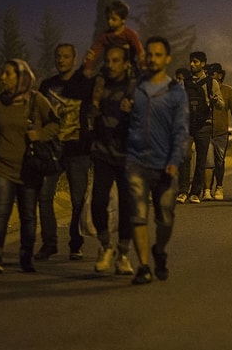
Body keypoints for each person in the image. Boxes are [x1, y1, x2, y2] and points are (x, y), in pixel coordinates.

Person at [0, 59, 61, 274]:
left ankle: (26, 255)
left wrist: (40, 134)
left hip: (29, 167)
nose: (2, 77)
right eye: (3, 73)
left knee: (28, 215)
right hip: (1, 167)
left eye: (8, 74)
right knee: (1, 213)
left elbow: (55, 123)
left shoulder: (36, 100)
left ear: (22, 77)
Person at [125, 36, 189, 285]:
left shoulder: (175, 92)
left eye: (158, 55)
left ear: (167, 59)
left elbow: (181, 129)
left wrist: (175, 159)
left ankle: (159, 250)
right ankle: (143, 266)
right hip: (136, 161)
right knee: (137, 215)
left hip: (165, 164)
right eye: (149, 54)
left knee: (165, 217)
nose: (152, 59)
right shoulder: (136, 87)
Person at [36, 43, 95, 261]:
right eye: (58, 56)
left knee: (78, 199)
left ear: (74, 58)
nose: (61, 60)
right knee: (44, 196)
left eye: (66, 56)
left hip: (78, 150)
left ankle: (75, 242)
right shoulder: (47, 85)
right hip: (52, 150)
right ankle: (49, 243)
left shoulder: (84, 84)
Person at [91, 45, 136, 275]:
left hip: (128, 154)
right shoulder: (99, 84)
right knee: (98, 200)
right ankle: (105, 245)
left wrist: (132, 112)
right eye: (108, 60)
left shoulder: (134, 87)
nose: (111, 64)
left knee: (128, 205)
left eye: (116, 60)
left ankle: (123, 254)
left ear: (126, 63)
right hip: (102, 152)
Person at [178, 51, 223, 204]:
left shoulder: (212, 83)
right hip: (187, 125)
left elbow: (221, 105)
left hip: (204, 125)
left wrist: (215, 100)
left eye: (196, 62)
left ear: (203, 64)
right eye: (191, 61)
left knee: (201, 160)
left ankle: (195, 192)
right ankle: (182, 191)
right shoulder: (184, 83)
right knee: (184, 156)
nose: (192, 64)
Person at [82, 0, 145, 78]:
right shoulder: (105, 36)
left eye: (113, 19)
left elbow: (140, 52)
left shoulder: (130, 35)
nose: (109, 22)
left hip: (128, 65)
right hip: (110, 66)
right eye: (108, 18)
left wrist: (143, 66)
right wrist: (88, 68)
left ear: (123, 20)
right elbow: (93, 53)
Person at [206, 63, 232, 201]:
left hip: (221, 132)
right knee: (207, 162)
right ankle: (206, 189)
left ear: (220, 75)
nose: (210, 77)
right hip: (206, 131)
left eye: (212, 74)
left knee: (219, 162)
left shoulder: (227, 91)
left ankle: (219, 186)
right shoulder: (203, 89)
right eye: (208, 74)